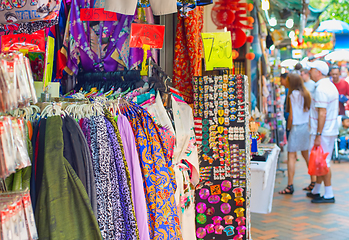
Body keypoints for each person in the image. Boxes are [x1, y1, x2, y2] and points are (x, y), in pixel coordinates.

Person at [307, 60, 339, 204]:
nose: (309, 72)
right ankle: (317, 190)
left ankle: (328, 194)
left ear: (318, 72)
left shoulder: (321, 88)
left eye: (312, 69)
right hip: (328, 130)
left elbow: (322, 113)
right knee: (320, 161)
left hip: (323, 132)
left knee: (323, 162)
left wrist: (318, 134)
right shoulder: (328, 86)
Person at [279, 73, 312, 195]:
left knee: (291, 156)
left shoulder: (293, 95)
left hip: (296, 127)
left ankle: (290, 185)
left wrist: (288, 128)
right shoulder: (306, 94)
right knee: (306, 155)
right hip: (306, 127)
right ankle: (313, 181)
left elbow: (291, 116)